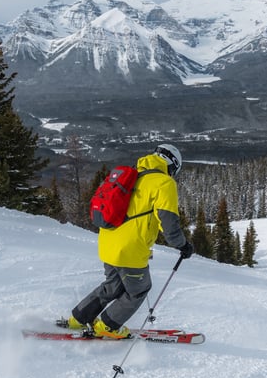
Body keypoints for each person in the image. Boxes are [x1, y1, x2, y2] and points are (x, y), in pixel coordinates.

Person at [66, 144, 194, 339]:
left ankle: (78, 318)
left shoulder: (132, 176)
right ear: (173, 165)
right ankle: (107, 326)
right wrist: (183, 245)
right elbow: (168, 222)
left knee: (113, 286)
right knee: (139, 289)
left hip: (108, 243)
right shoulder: (163, 183)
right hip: (130, 249)